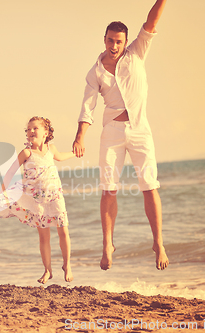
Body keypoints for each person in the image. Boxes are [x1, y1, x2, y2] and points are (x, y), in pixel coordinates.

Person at [72, 0, 169, 271]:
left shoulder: (137, 52)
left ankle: (158, 242)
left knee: (150, 185)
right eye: (110, 41)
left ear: (125, 42)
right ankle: (107, 244)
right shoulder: (95, 72)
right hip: (112, 132)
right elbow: (87, 106)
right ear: (104, 39)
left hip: (140, 129)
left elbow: (152, 22)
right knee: (108, 189)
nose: (114, 46)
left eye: (118, 42)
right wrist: (80, 137)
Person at [0, 117, 75, 284]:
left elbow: (61, 157)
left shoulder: (51, 149)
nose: (31, 132)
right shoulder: (27, 153)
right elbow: (10, 172)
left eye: (35, 128)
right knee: (43, 236)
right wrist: (4, 192)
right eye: (28, 129)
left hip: (55, 198)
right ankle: (48, 270)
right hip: (38, 202)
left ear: (45, 133)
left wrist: (75, 152)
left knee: (64, 231)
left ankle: (67, 265)